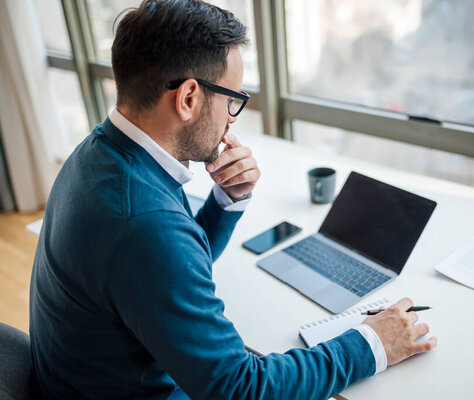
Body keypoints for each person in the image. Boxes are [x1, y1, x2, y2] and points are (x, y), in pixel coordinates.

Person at [29, 1, 437, 399]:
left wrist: (226, 199)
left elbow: (161, 268)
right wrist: (372, 345)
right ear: (188, 98)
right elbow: (238, 387)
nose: (232, 117)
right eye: (232, 100)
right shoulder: (142, 220)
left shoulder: (99, 153)